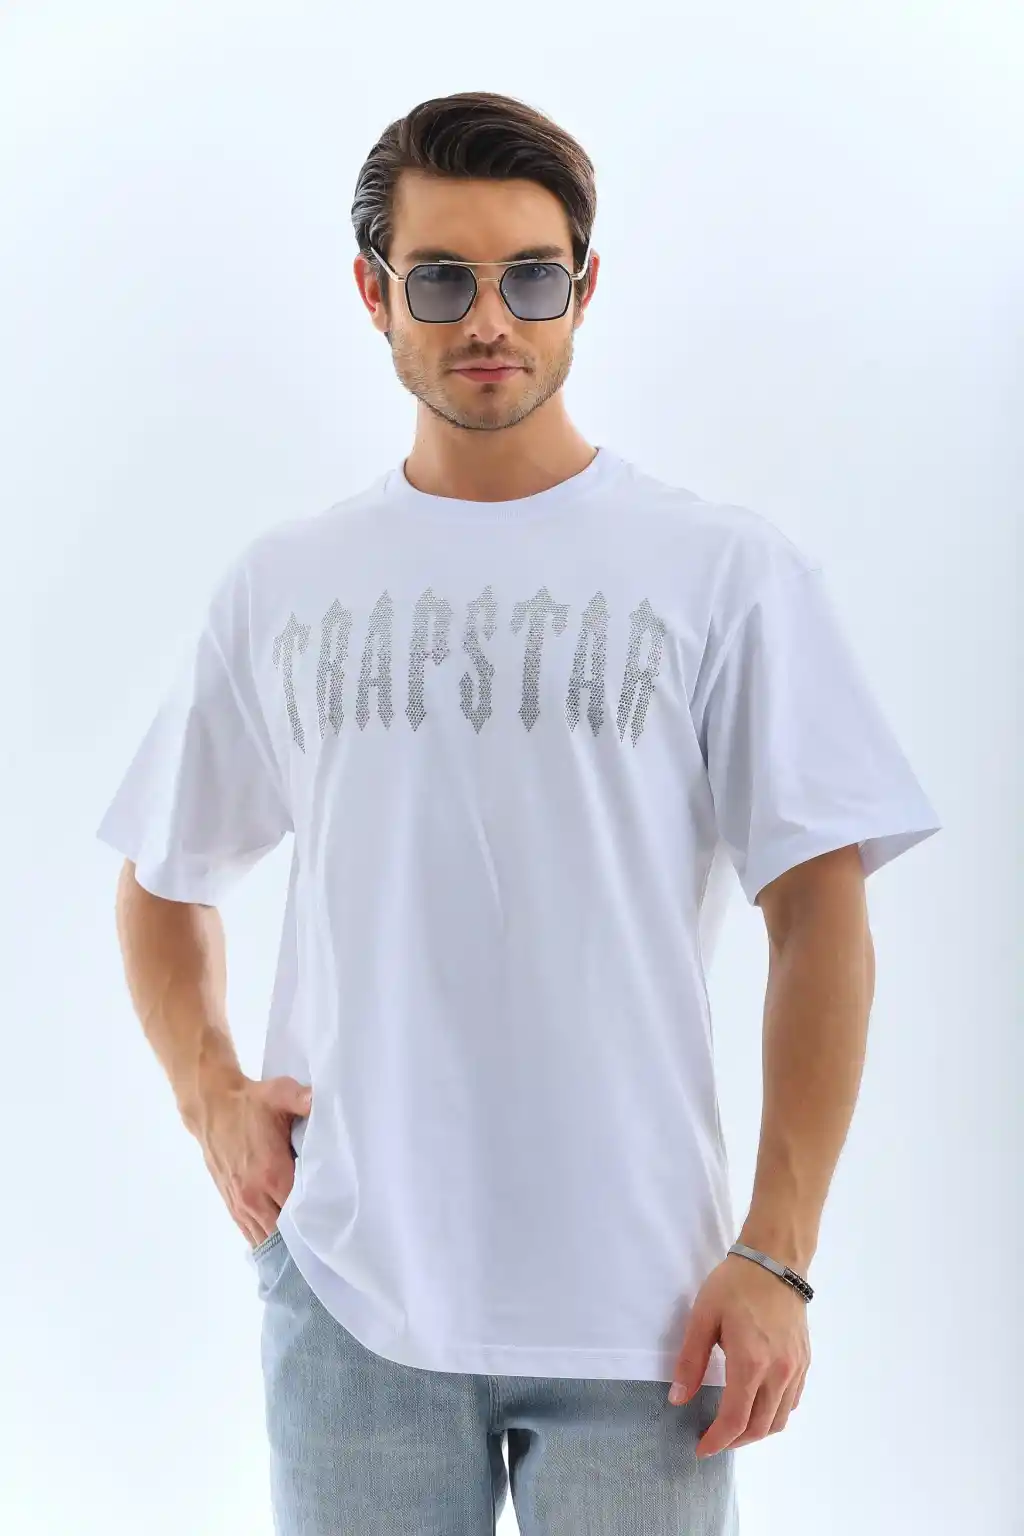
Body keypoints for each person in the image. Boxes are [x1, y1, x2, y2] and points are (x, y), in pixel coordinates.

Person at [96, 90, 942, 1535]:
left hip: (650, 1312)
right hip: (352, 1296)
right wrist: (211, 1098)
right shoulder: (287, 586)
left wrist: (779, 1252)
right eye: (441, 280)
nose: (490, 320)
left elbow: (820, 915)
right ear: (374, 293)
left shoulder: (722, 574)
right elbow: (161, 875)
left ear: (585, 288)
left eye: (531, 278)